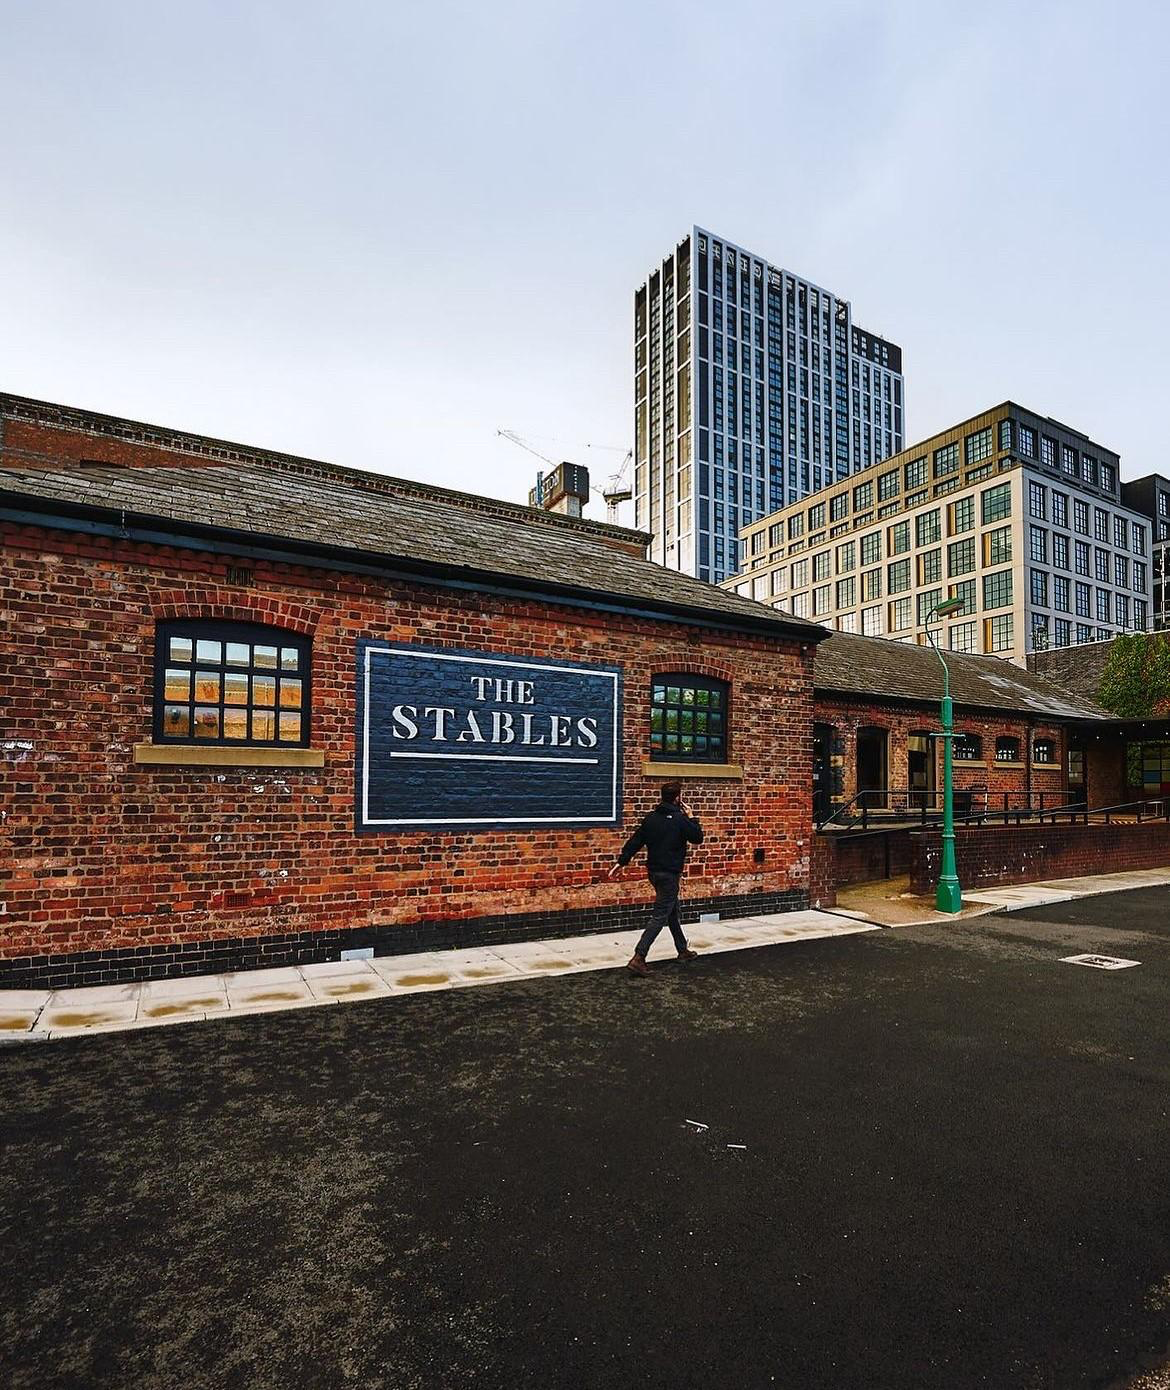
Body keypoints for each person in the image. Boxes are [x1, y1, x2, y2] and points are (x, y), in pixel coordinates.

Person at [608, 781, 704, 977]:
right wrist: (692, 817)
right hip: (669, 874)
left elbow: (636, 840)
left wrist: (621, 862)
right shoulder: (680, 819)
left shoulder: (651, 818)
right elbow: (697, 837)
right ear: (678, 798)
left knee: (671, 912)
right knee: (661, 914)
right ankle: (639, 956)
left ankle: (682, 950)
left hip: (654, 873)